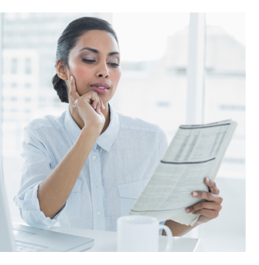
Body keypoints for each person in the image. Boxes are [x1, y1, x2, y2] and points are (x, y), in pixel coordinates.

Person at [14, 17, 223, 236]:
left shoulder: (151, 138)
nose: (104, 71)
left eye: (113, 63)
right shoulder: (41, 134)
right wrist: (90, 131)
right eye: (89, 59)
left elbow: (157, 232)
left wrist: (197, 216)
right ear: (62, 68)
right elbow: (36, 217)